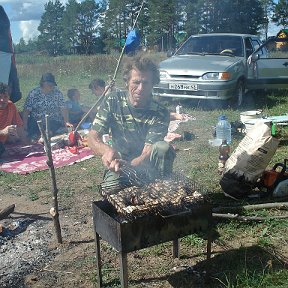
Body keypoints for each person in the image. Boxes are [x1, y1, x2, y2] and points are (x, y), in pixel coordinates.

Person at [88, 54, 176, 191]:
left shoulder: (161, 112)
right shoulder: (113, 101)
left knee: (163, 147)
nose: (141, 88)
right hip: (119, 163)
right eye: (136, 82)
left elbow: (148, 151)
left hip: (148, 163)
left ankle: (162, 182)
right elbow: (93, 136)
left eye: (146, 83)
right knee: (109, 190)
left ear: (153, 84)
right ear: (127, 82)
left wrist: (131, 165)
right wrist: (107, 150)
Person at [22, 72, 73, 140]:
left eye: (52, 85)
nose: (52, 86)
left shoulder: (57, 93)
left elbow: (63, 108)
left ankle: (48, 135)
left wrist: (66, 122)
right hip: (37, 121)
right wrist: (24, 124)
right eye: (50, 84)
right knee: (30, 134)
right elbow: (26, 110)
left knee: (52, 130)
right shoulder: (34, 93)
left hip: (53, 120)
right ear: (43, 83)